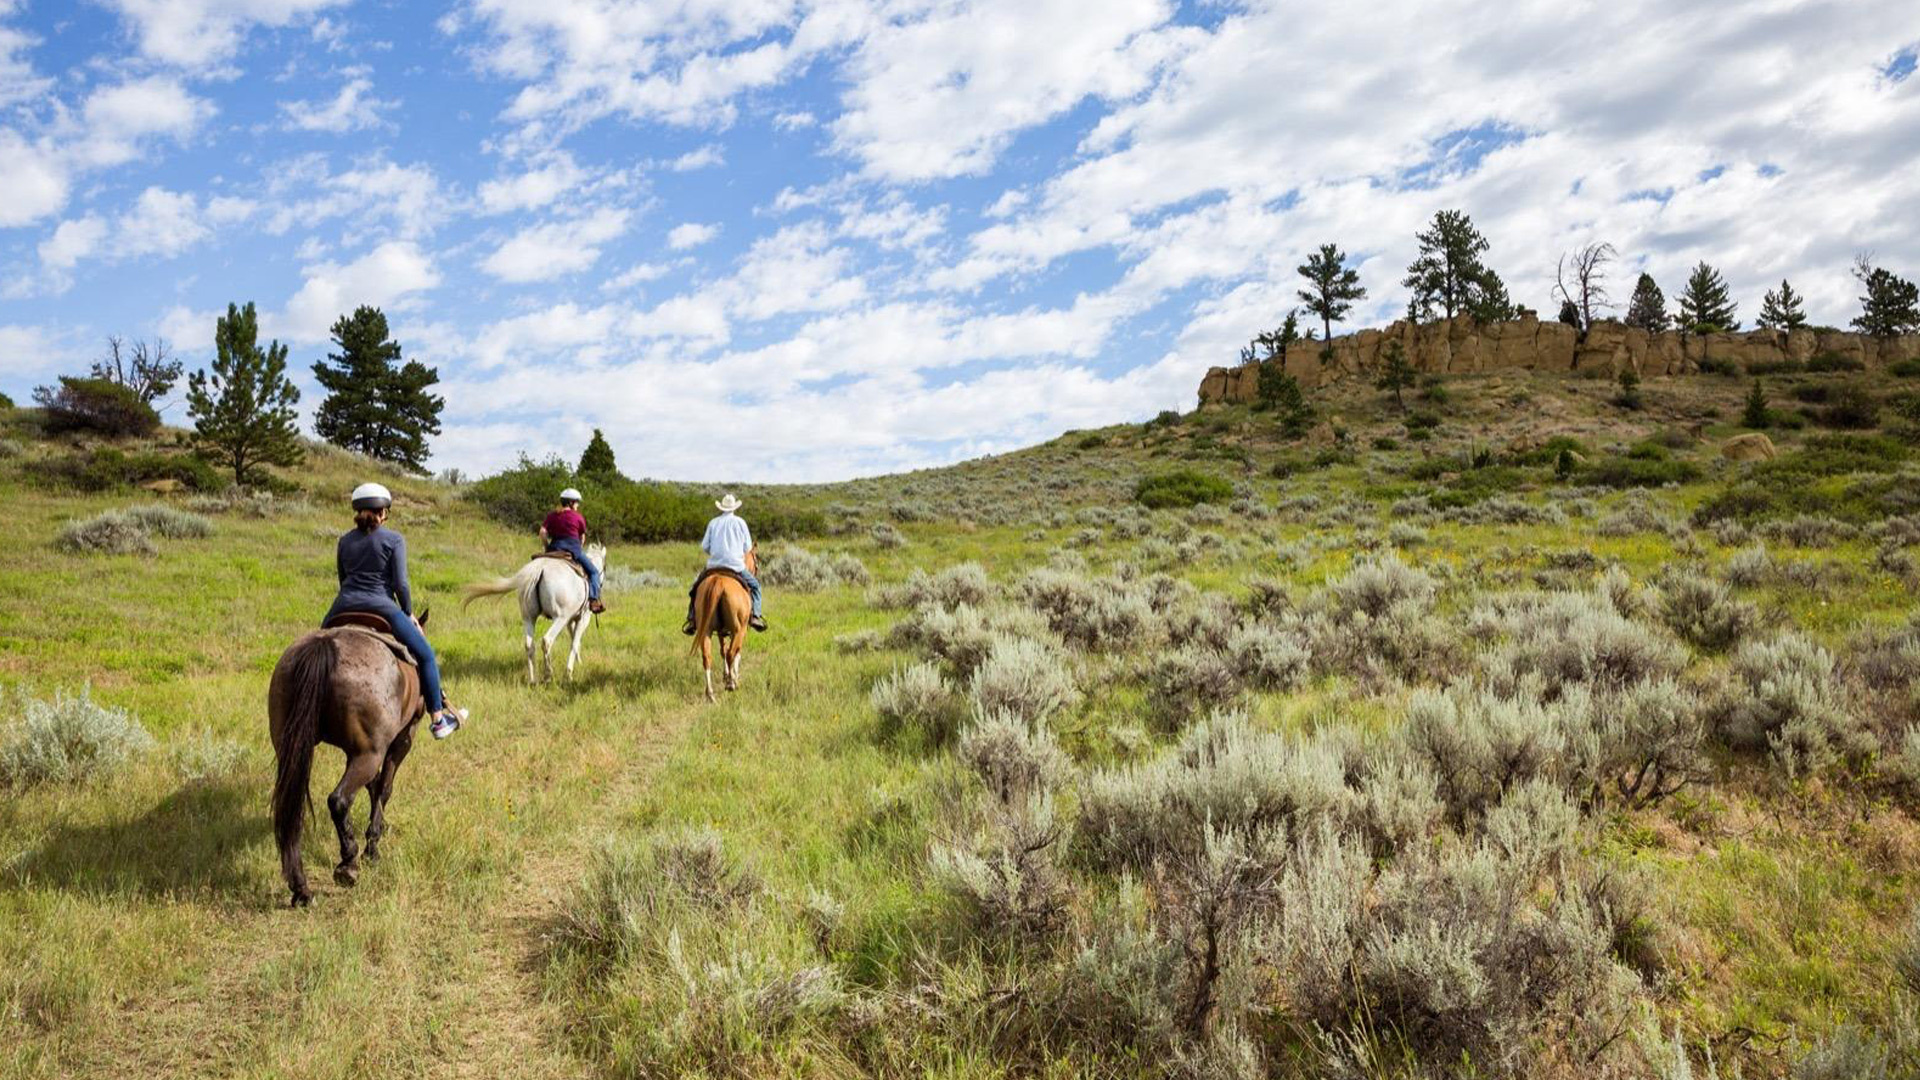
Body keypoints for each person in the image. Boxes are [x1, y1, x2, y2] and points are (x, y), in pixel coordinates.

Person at [325, 483, 467, 739]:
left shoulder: (344, 541)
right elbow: (401, 583)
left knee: (317, 648)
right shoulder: (394, 540)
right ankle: (438, 718)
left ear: (358, 511)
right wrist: (409, 612)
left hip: (342, 606)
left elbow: (342, 578)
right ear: (383, 512)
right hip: (382, 608)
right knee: (426, 655)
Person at [683, 493, 767, 634]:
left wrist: (716, 551)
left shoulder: (713, 523)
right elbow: (747, 548)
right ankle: (755, 616)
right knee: (756, 586)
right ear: (734, 508)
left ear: (721, 508)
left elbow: (704, 546)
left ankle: (692, 619)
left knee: (694, 589)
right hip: (736, 567)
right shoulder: (740, 522)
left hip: (713, 567)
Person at [540, 487, 605, 614]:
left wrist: (546, 547)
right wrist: (578, 546)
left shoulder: (552, 515)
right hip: (573, 550)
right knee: (594, 572)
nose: (578, 505)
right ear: (571, 503)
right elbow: (582, 538)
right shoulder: (578, 517)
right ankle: (593, 601)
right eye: (577, 502)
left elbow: (542, 532)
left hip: (554, 549)